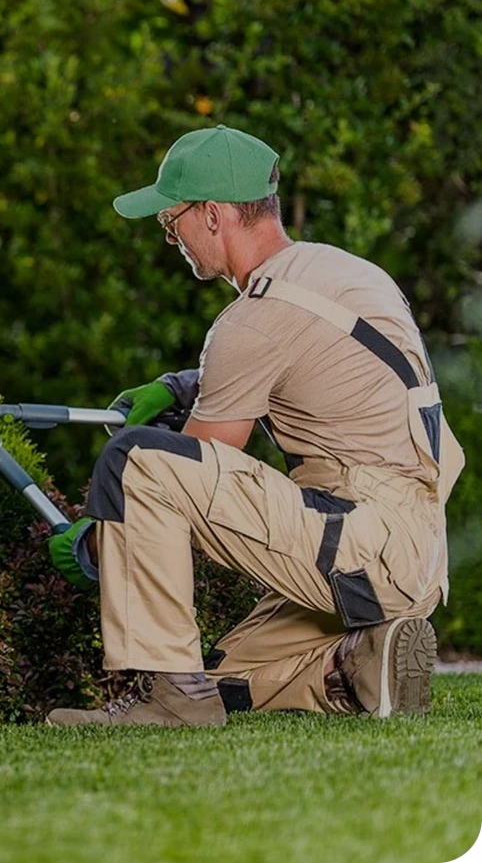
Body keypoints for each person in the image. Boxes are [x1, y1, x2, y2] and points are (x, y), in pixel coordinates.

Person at [45, 124, 465, 727]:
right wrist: (182, 385)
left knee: (135, 460)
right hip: (412, 553)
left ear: (213, 215)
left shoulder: (254, 318)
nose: (170, 234)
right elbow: (313, 369)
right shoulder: (340, 273)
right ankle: (355, 662)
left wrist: (93, 544)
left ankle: (173, 703)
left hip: (362, 545)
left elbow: (189, 477)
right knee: (219, 675)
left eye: (173, 218)